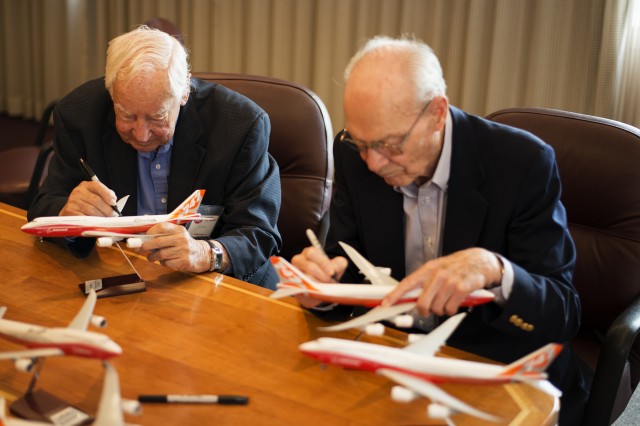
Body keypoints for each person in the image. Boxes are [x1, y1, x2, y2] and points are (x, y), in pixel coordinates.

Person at [291, 36, 590, 423]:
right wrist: (323, 288)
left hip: (491, 370)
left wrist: (495, 269)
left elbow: (563, 313)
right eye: (362, 143)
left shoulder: (522, 163)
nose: (374, 163)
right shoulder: (353, 156)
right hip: (395, 360)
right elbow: (349, 259)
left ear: (437, 113)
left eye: (390, 145)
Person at [28, 26, 282, 288]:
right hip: (123, 274)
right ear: (112, 93)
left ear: (184, 93)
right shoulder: (79, 115)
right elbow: (43, 205)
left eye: (156, 117)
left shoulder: (240, 126)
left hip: (217, 284)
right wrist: (67, 213)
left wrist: (206, 253)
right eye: (126, 115)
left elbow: (259, 233)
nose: (141, 134)